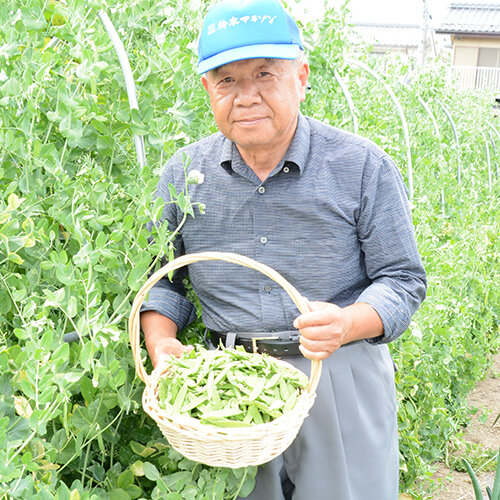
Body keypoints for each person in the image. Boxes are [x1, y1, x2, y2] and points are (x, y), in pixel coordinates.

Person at [140, 0, 427, 498]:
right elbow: (163, 282)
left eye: (264, 75)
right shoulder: (183, 175)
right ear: (208, 89)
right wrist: (162, 345)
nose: (245, 96)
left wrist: (345, 323)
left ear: (301, 76)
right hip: (226, 389)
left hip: (340, 374)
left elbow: (402, 280)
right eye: (227, 81)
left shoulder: (362, 166)